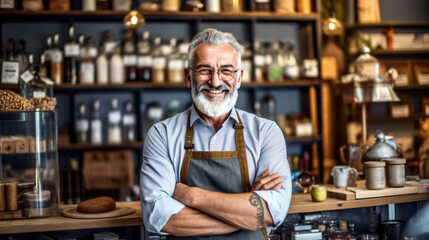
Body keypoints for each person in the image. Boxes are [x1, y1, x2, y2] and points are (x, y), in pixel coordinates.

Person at [140, 28, 292, 239]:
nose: (215, 81)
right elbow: (158, 217)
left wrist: (191, 195)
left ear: (238, 78)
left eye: (226, 71)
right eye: (204, 70)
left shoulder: (266, 133)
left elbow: (270, 212)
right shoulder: (162, 135)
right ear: (188, 77)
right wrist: (244, 211)